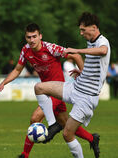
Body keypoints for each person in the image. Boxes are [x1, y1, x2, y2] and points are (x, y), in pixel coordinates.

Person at [0, 23, 98, 158]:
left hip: (58, 91)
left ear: (40, 36)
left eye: (34, 36)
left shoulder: (51, 48)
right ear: (26, 38)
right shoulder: (26, 50)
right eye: (28, 37)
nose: (32, 40)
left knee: (35, 118)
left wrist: (84, 75)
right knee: (66, 125)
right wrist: (3, 83)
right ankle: (92, 138)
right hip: (45, 92)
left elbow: (76, 56)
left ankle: (25, 155)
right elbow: (17, 69)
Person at [34, 12, 110, 158]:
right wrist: (82, 71)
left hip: (86, 98)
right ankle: (53, 124)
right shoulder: (91, 40)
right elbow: (96, 64)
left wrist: (77, 50)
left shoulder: (103, 42)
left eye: (83, 30)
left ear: (94, 27)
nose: (81, 33)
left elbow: (103, 51)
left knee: (67, 134)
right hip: (75, 87)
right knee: (39, 87)